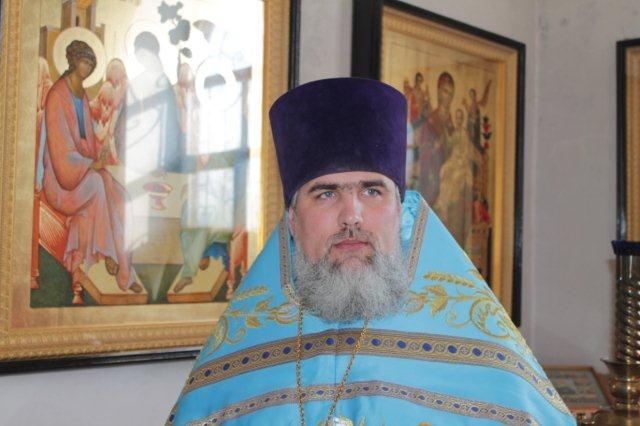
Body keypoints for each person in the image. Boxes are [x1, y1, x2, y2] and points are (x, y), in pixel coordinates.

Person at [167, 78, 574, 425]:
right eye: (326, 194)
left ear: (401, 211)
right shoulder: (241, 355)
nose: (352, 217)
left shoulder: (487, 363)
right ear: (292, 220)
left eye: (372, 191)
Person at [42, 40, 142, 299]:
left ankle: (125, 272)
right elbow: (61, 151)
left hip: (82, 171)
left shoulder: (81, 95)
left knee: (121, 197)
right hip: (61, 182)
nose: (87, 68)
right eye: (83, 62)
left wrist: (99, 155)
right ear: (72, 60)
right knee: (97, 185)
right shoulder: (57, 96)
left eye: (90, 63)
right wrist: (89, 164)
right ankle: (109, 255)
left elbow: (86, 141)